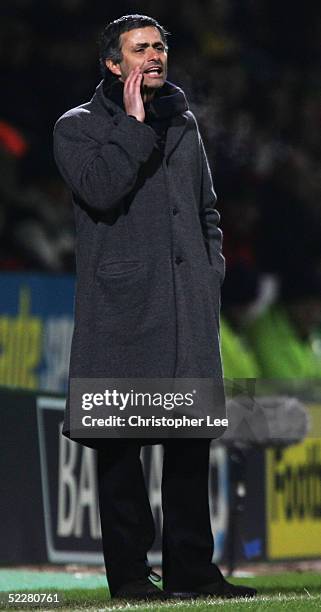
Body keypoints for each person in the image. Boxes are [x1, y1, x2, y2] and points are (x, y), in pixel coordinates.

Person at [53, 14, 256, 601]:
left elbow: (207, 212)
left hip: (185, 305)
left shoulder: (186, 124)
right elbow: (99, 188)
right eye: (140, 48)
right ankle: (131, 577)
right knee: (120, 449)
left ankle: (192, 569)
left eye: (160, 45)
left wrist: (208, 273)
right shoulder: (79, 126)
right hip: (122, 308)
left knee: (188, 444)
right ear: (114, 64)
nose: (155, 55)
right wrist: (135, 125)